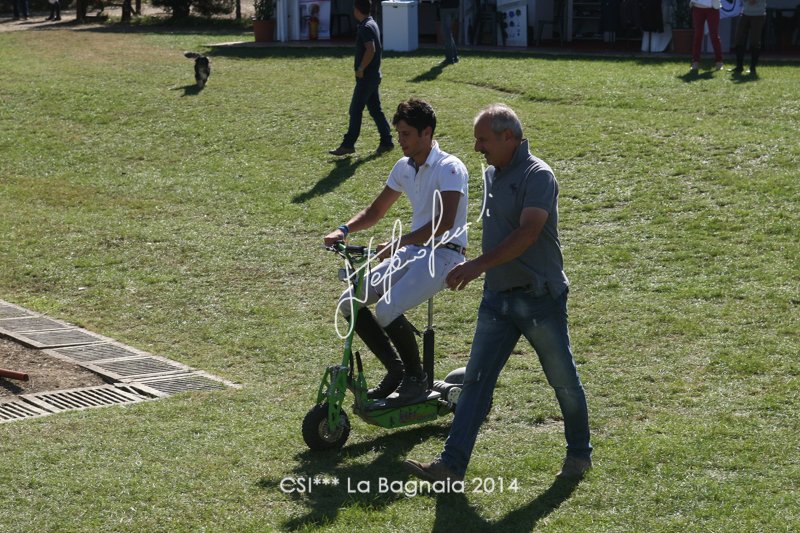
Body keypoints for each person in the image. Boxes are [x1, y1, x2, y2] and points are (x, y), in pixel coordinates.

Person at [403, 104, 592, 482]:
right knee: (474, 383)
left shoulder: (538, 175)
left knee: (562, 379)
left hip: (539, 298)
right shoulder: (492, 174)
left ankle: (579, 454)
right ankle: (450, 466)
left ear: (508, 137)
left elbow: (528, 233)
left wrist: (477, 265)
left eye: (483, 139)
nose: (477, 148)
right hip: (497, 297)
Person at [324, 99, 469, 403]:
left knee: (386, 309)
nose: (400, 140)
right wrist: (344, 230)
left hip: (444, 255)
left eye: (406, 134)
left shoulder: (450, 168)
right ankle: (396, 371)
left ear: (426, 133)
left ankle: (416, 379)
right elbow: (376, 210)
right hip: (414, 251)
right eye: (399, 134)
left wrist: (398, 243)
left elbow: (444, 221)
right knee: (349, 302)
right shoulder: (404, 167)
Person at [328, 0, 394, 157]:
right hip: (374, 75)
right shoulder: (372, 23)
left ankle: (348, 144)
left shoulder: (365, 27)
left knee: (355, 109)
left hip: (367, 77)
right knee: (375, 110)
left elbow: (370, 49)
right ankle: (387, 142)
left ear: (357, 9)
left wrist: (361, 68)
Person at [730, 0, 766, 76]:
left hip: (758, 14)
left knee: (755, 41)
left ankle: (752, 68)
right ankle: (739, 67)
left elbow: (753, 1)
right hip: (745, 13)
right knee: (739, 39)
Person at [690, 0, 724, 72]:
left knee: (714, 35)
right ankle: (695, 62)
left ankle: (719, 62)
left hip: (713, 8)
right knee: (698, 36)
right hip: (697, 7)